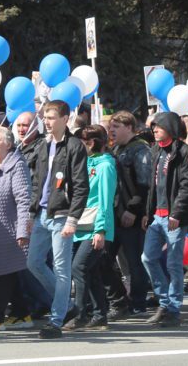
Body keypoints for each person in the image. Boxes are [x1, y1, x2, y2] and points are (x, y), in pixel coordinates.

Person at [26, 100, 89, 339]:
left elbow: (81, 186)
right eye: (45, 117)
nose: (47, 122)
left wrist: (73, 218)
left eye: (51, 117)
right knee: (33, 263)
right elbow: (37, 183)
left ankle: (56, 319)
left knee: (61, 268)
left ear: (65, 119)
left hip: (62, 214)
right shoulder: (43, 145)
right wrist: (31, 214)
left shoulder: (74, 146)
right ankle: (67, 305)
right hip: (43, 213)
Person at [142, 111, 188, 328]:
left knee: (174, 264)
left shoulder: (184, 151)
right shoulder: (156, 150)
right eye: (153, 126)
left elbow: (187, 185)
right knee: (147, 258)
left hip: (174, 217)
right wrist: (148, 213)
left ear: (170, 128)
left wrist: (177, 213)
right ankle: (164, 302)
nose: (154, 130)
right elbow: (153, 186)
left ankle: (173, 309)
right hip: (157, 216)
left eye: (158, 126)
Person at [0, 124, 32, 329]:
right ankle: (21, 312)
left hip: (8, 228)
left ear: (8, 144)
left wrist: (22, 229)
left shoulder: (16, 164)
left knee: (3, 274)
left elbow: (23, 198)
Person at [66, 125, 116, 331]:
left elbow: (105, 200)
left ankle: (80, 312)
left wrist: (101, 230)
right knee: (90, 270)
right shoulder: (83, 163)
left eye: (82, 143)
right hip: (80, 223)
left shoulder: (106, 166)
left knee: (78, 267)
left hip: (95, 225)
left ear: (92, 143)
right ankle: (99, 313)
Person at [109, 110, 152, 317]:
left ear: (129, 127)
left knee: (134, 261)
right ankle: (119, 299)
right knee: (104, 259)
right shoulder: (116, 149)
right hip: (114, 214)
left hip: (130, 215)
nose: (111, 130)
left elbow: (144, 185)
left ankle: (138, 302)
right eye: (111, 126)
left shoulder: (141, 150)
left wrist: (133, 210)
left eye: (116, 127)